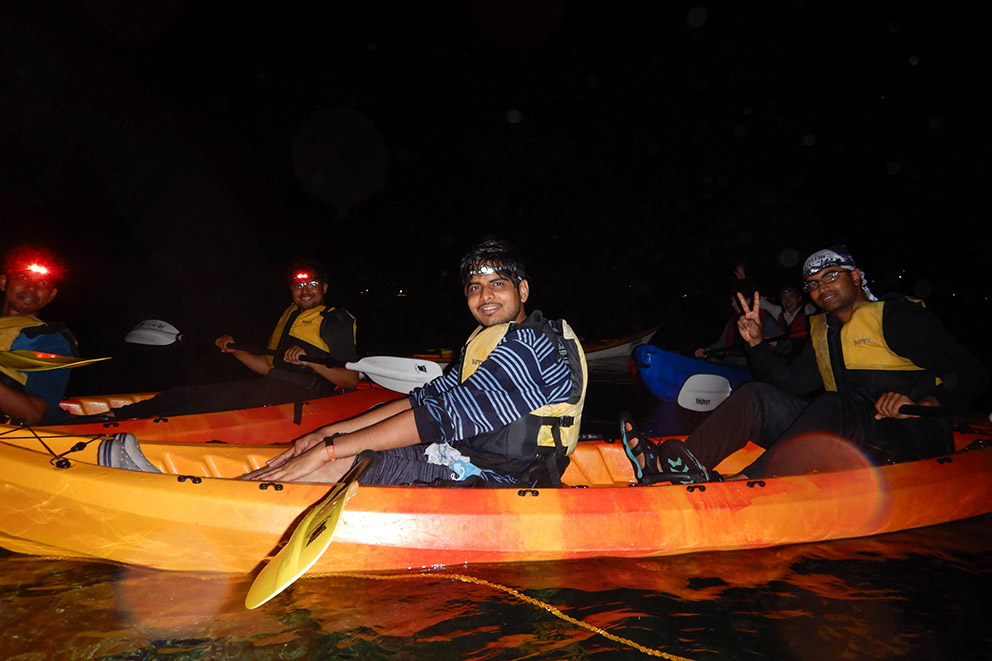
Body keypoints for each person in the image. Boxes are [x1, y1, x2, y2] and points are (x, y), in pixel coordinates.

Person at [624, 245, 989, 484]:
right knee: (757, 396)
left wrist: (930, 402)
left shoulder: (899, 319)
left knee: (832, 405)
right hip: (848, 440)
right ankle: (680, 463)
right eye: (812, 283)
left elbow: (972, 372)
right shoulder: (826, 332)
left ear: (856, 276)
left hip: (909, 444)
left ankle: (748, 483)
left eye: (831, 275)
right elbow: (787, 386)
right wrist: (756, 345)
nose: (820, 287)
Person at [245, 239, 588, 487]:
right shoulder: (494, 343)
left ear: (523, 290)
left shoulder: (532, 346)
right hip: (460, 456)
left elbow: (439, 417)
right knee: (336, 447)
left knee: (329, 467)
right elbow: (423, 399)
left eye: (497, 284)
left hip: (499, 479)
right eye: (474, 287)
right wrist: (327, 433)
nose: (485, 296)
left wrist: (329, 451)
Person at [97, 259, 359, 419]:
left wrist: (310, 362)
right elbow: (268, 367)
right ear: (291, 290)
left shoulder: (335, 321)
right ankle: (114, 415)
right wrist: (235, 351)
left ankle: (132, 423)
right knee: (182, 394)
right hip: (270, 387)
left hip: (300, 400)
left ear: (324, 288)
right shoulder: (290, 315)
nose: (305, 291)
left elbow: (350, 380)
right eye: (298, 285)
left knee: (194, 409)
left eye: (312, 284)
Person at [0, 245, 78, 425]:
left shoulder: (48, 339)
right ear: (3, 282)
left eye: (42, 284)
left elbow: (35, 413)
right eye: (23, 278)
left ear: (51, 295)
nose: (31, 288)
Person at [693, 279, 783, 366]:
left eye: (737, 301)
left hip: (754, 362)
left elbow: (783, 344)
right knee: (709, 360)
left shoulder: (763, 318)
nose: (733, 304)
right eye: (733, 301)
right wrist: (706, 350)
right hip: (733, 360)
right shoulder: (733, 321)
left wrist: (762, 341)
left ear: (748, 300)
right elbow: (721, 344)